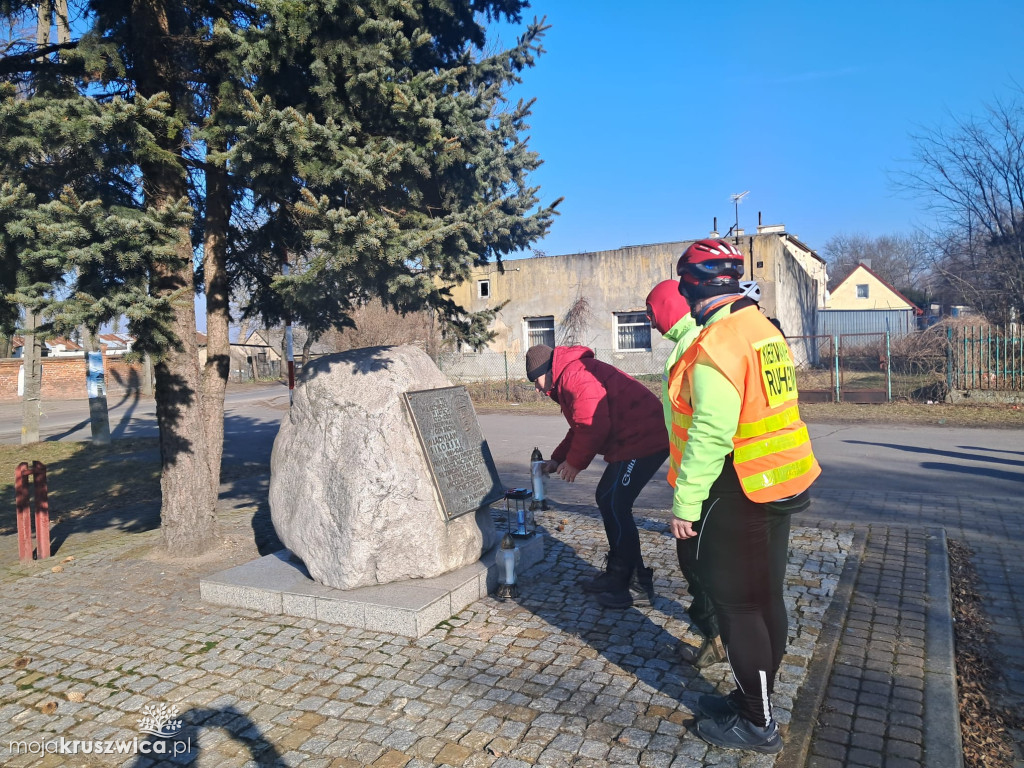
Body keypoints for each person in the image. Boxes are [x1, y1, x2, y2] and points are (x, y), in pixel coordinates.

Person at [665, 238, 820, 754]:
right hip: (781, 480)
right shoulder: (762, 330)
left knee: (737, 607)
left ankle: (758, 723)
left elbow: (710, 430)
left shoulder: (719, 342)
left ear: (691, 286)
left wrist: (686, 503)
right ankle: (754, 698)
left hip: (740, 485)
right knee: (765, 597)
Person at [526, 343, 669, 609]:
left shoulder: (574, 375)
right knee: (609, 499)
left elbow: (594, 425)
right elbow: (579, 427)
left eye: (536, 381)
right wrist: (558, 460)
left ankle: (637, 586)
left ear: (547, 370)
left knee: (615, 503)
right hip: (633, 440)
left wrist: (575, 463)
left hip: (646, 438)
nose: (536, 388)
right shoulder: (570, 374)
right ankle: (619, 574)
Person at [645, 280, 725, 669]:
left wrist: (687, 496)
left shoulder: (692, 347)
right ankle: (722, 633)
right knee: (703, 559)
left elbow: (705, 425)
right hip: (698, 474)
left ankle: (717, 636)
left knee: (696, 561)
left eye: (651, 311)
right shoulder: (693, 338)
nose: (649, 319)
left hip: (702, 478)